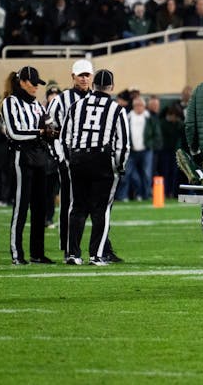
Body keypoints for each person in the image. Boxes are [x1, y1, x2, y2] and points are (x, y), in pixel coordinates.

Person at [45, 59, 123, 261]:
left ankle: (99, 249)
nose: (84, 78)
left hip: (79, 159)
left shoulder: (83, 102)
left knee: (85, 207)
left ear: (93, 79)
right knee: (79, 207)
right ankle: (75, 250)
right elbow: (53, 133)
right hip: (77, 158)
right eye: (81, 75)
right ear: (73, 77)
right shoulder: (62, 101)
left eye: (88, 75)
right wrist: (62, 159)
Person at [61, 69, 130, 266]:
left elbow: (65, 137)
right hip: (102, 160)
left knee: (77, 208)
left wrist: (70, 160)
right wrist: (120, 166)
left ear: (93, 86)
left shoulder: (76, 105)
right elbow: (123, 143)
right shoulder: (116, 109)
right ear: (112, 87)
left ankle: (73, 254)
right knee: (101, 210)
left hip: (78, 159)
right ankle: (96, 255)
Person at [3, 66, 57, 265]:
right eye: (34, 83)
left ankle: (37, 253)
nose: (36, 87)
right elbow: (15, 132)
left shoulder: (37, 105)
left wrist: (53, 132)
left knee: (40, 208)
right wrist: (40, 133)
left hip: (40, 157)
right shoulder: (10, 102)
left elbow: (49, 125)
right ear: (23, 82)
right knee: (21, 207)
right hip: (22, 157)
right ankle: (17, 254)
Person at [119, 95, 159, 201]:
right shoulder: (128, 117)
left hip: (146, 150)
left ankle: (146, 195)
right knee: (127, 174)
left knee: (147, 174)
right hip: (131, 151)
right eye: (136, 105)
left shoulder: (149, 118)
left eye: (140, 105)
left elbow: (156, 134)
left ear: (144, 106)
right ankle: (123, 196)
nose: (138, 107)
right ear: (133, 106)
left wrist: (151, 145)